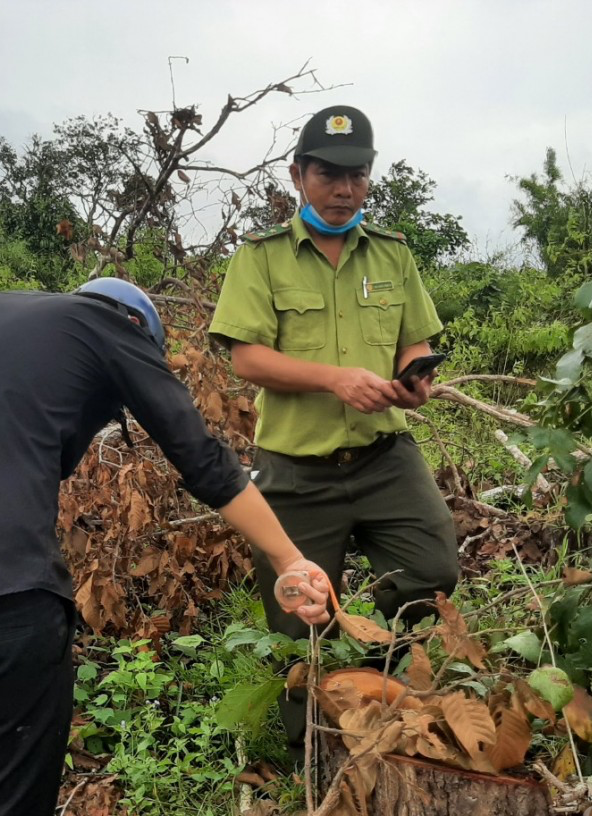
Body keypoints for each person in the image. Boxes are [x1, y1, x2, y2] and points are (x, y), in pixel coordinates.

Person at [0, 279, 331, 816]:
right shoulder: (112, 327)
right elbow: (202, 458)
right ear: (137, 330)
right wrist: (287, 558)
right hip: (3, 604)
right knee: (10, 811)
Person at [209, 106, 460, 751]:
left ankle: (379, 696)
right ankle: (312, 758)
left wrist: (415, 378)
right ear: (298, 174)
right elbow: (246, 358)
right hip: (295, 470)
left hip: (385, 458)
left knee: (430, 570)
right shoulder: (261, 259)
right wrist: (334, 378)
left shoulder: (394, 255)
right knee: (299, 615)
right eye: (329, 174)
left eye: (358, 174)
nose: (345, 189)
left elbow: (415, 341)